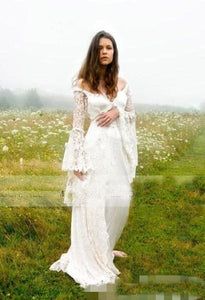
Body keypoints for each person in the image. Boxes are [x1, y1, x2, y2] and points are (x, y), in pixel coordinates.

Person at [49, 30, 138, 289]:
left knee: (118, 199)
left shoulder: (122, 83)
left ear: (114, 52)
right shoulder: (83, 83)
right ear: (93, 52)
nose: (104, 52)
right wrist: (77, 160)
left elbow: (131, 114)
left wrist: (117, 112)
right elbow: (77, 125)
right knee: (92, 201)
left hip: (115, 151)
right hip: (94, 147)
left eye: (109, 47)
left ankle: (105, 246)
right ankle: (91, 256)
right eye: (100, 48)